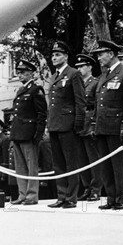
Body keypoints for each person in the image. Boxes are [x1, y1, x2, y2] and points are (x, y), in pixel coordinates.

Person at [91, 40, 123, 210]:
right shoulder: (104, 75)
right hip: (103, 126)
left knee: (119, 165)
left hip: (117, 126)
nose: (98, 58)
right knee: (106, 165)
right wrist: (94, 124)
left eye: (101, 54)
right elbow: (99, 103)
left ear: (111, 54)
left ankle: (122, 198)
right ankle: (111, 197)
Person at [46, 41, 86, 209]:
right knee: (58, 163)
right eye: (53, 55)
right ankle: (62, 195)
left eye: (58, 55)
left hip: (68, 125)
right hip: (55, 124)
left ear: (66, 56)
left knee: (71, 162)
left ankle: (71, 197)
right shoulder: (54, 76)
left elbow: (80, 101)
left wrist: (78, 124)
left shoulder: (74, 74)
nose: (54, 58)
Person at [9, 59, 47, 205]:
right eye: (18, 73)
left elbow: (41, 114)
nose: (20, 75)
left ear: (31, 73)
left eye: (23, 72)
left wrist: (38, 134)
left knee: (31, 166)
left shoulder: (36, 90)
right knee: (20, 166)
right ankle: (22, 194)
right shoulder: (20, 90)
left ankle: (31, 195)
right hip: (18, 132)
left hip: (29, 133)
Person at [75, 53, 102, 201]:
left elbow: (97, 105)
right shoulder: (76, 83)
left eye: (82, 66)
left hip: (89, 122)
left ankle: (96, 189)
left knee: (94, 159)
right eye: (77, 66)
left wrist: (94, 125)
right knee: (81, 159)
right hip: (78, 125)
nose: (79, 69)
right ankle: (86, 187)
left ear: (90, 67)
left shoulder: (95, 83)